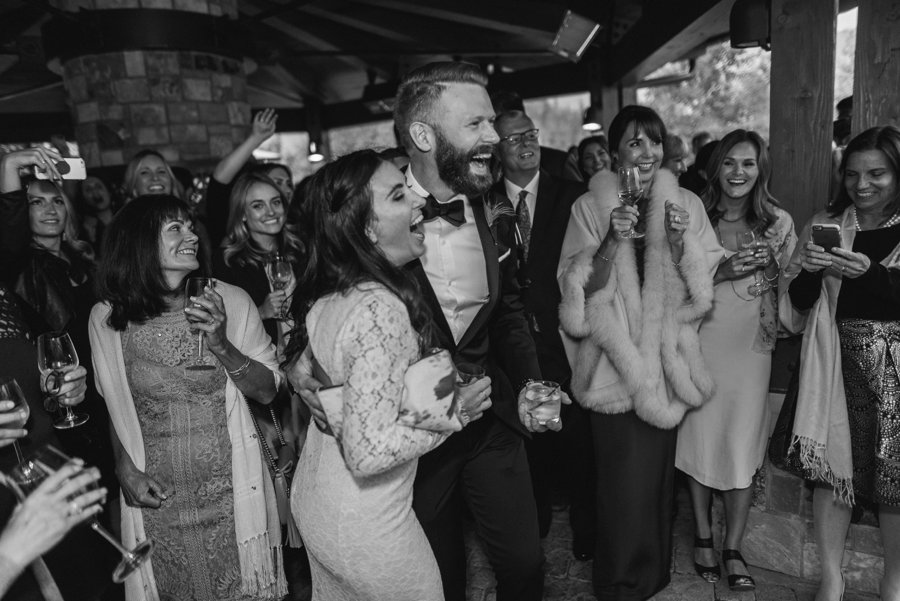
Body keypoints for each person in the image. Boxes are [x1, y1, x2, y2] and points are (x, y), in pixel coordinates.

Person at [285, 149, 491, 600]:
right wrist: (454, 412)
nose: (417, 202)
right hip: (366, 523)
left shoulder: (330, 294)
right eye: (399, 195)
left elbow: (332, 389)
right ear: (366, 227)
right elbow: (368, 452)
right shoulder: (380, 307)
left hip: (317, 500)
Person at [557, 105, 722, 600]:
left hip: (665, 359)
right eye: (634, 143)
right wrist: (611, 237)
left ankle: (653, 577)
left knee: (655, 486)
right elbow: (580, 295)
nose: (646, 152)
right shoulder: (589, 208)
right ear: (613, 154)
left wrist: (675, 244)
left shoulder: (686, 203)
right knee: (620, 486)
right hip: (615, 361)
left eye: (653, 141)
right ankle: (618, 583)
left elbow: (700, 292)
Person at [90, 195, 286, 601]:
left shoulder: (231, 300)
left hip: (233, 493)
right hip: (158, 503)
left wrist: (222, 344)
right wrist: (124, 468)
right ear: (139, 244)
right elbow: (115, 405)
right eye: (175, 228)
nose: (192, 235)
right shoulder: (107, 319)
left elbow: (268, 391)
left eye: (190, 225)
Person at [780, 125, 900, 601]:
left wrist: (870, 277)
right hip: (832, 363)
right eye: (852, 174)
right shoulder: (827, 222)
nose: (862, 185)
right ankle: (832, 577)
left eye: (877, 174)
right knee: (830, 474)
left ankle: (894, 582)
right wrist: (810, 270)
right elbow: (797, 304)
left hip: (892, 370)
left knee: (894, 480)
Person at [675, 129, 797, 590]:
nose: (738, 173)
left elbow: (792, 291)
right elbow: (673, 282)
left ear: (759, 170)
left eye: (747, 164)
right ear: (716, 167)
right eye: (729, 163)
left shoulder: (778, 223)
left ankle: (734, 547)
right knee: (701, 435)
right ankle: (704, 536)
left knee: (742, 442)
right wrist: (721, 270)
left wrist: (771, 268)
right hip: (701, 337)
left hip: (751, 345)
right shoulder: (695, 216)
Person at [492, 108, 593, 557]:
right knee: (528, 436)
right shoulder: (484, 200)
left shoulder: (573, 194)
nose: (525, 143)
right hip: (512, 337)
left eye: (530, 134)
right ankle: (534, 523)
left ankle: (587, 527)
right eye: (513, 139)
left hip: (564, 333)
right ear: (497, 149)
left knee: (577, 438)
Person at [213, 171, 304, 347]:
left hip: (309, 353)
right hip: (263, 361)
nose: (271, 212)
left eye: (276, 202)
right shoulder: (228, 261)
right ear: (242, 214)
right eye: (258, 206)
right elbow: (222, 323)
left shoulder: (302, 249)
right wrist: (260, 312)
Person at [77, 175, 118, 254]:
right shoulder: (85, 229)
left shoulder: (125, 216)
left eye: (99, 187)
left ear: (109, 191)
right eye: (88, 190)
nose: (95, 193)